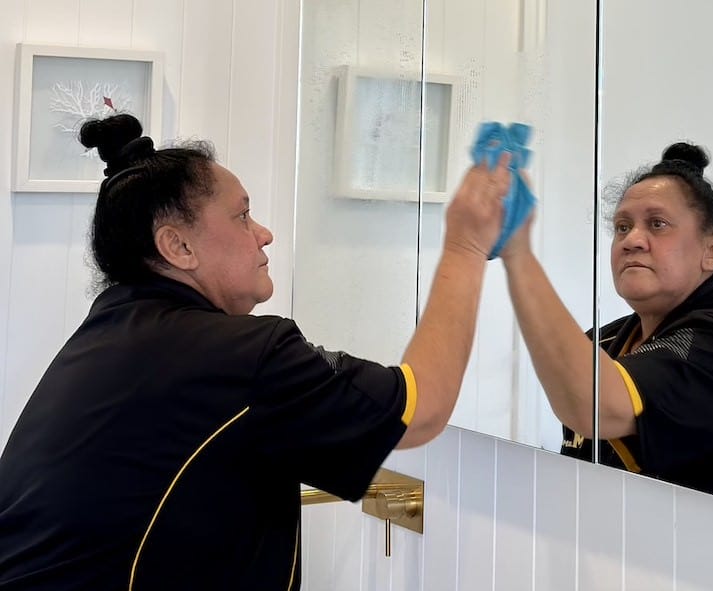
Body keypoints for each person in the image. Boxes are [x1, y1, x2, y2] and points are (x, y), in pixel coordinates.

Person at [0, 113, 511, 590]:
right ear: (178, 247)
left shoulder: (109, 337)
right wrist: (466, 246)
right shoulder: (244, 356)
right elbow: (422, 409)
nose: (264, 234)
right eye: (243, 216)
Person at [501, 141, 713, 517]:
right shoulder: (603, 343)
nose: (632, 240)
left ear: (712, 252)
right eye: (622, 227)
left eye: (657, 225)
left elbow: (593, 405)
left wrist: (518, 254)